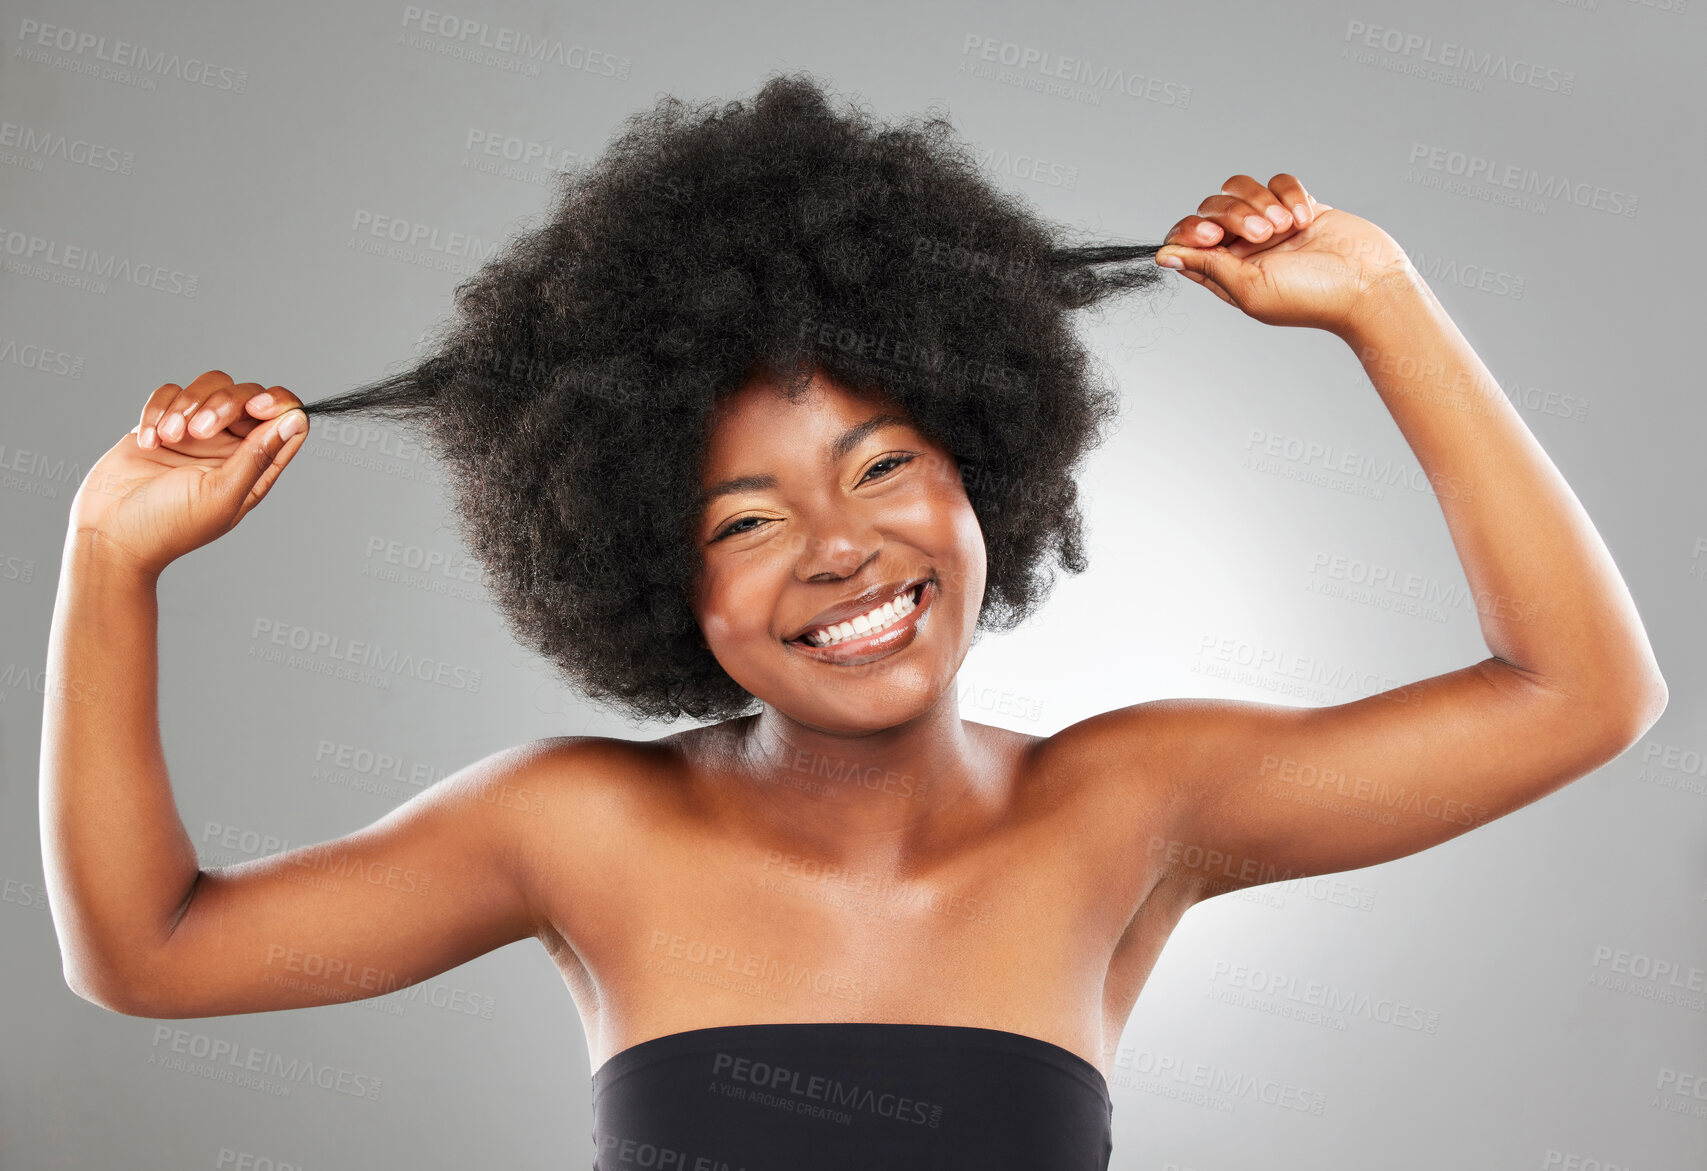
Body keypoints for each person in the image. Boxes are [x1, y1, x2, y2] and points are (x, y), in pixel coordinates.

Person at [41, 73, 1666, 1170]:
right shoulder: (576, 826)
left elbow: (1579, 691)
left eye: (885, 465)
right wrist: (111, 562)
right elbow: (150, 954)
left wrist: (1385, 305)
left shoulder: (1130, 805)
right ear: (645, 574)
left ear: (987, 468)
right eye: (742, 520)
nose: (838, 548)